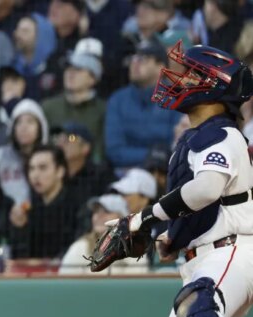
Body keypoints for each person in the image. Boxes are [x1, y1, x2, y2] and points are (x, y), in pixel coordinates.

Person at [96, 42, 253, 317]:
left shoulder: (222, 133)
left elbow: (207, 189)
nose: (180, 80)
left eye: (193, 75)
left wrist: (145, 217)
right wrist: (174, 237)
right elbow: (208, 203)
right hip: (207, 257)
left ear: (214, 86)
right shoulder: (197, 137)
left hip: (235, 252)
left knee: (201, 300)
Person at [105, 42, 182, 170]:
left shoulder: (177, 99)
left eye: (143, 60)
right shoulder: (118, 100)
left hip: (166, 171)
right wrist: (154, 155)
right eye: (133, 59)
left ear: (160, 67)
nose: (135, 63)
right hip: (125, 172)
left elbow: (177, 147)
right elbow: (114, 150)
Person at [11, 144, 78, 259]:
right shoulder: (30, 208)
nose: (35, 175)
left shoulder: (77, 206)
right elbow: (20, 255)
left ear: (60, 171)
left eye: (42, 168)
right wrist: (20, 228)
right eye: (31, 169)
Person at [59, 194, 149, 275]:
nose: (99, 216)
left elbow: (135, 287)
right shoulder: (81, 246)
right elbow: (65, 284)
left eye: (107, 211)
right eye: (96, 211)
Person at [41, 51, 107, 160]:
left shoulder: (102, 110)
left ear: (92, 78)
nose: (70, 73)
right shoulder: (49, 107)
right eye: (68, 68)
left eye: (78, 70)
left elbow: (99, 149)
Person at [0, 98, 49, 206]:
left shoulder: (50, 157)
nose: (24, 127)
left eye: (30, 122)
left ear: (41, 127)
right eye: (19, 122)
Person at [54, 123, 114, 209]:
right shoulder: (53, 175)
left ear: (86, 147)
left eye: (70, 138)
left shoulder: (101, 175)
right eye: (59, 138)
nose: (61, 143)